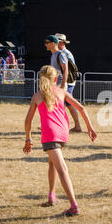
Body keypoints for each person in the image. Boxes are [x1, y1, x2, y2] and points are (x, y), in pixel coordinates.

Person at [23, 65, 97, 216]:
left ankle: (73, 206)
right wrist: (89, 127)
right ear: (56, 79)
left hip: (50, 134)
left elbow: (27, 121)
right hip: (63, 133)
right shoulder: (62, 92)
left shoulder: (37, 96)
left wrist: (28, 139)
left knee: (62, 169)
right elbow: (81, 108)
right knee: (52, 163)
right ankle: (52, 196)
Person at [55, 33, 82, 133]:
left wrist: (63, 84)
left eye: (55, 41)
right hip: (65, 82)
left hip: (67, 83)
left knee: (69, 104)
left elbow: (67, 71)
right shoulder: (62, 53)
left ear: (61, 42)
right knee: (64, 104)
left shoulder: (64, 54)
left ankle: (76, 126)